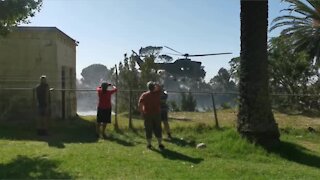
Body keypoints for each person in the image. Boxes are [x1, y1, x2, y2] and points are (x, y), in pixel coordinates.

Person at [138, 81, 165, 150]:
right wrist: (156, 83)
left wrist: (141, 112)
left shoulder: (144, 95)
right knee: (158, 128)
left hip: (147, 114)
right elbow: (160, 87)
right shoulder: (157, 93)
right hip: (157, 114)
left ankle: (149, 144)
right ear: (154, 87)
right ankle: (160, 144)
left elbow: (140, 104)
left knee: (148, 129)